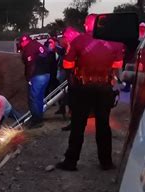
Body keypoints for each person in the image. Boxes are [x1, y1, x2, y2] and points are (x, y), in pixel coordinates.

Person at [56, 14, 124, 171]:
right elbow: (118, 64)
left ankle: (71, 161)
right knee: (103, 125)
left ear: (87, 26)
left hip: (83, 88)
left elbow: (67, 64)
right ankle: (106, 162)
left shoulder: (78, 41)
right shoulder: (116, 43)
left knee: (78, 125)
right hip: (105, 88)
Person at [19, 34, 51, 128]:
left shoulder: (29, 48)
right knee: (39, 98)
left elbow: (31, 65)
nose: (21, 45)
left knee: (33, 98)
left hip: (37, 76)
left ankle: (36, 120)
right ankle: (39, 118)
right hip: (47, 74)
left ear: (24, 42)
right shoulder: (37, 44)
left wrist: (29, 78)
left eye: (21, 43)